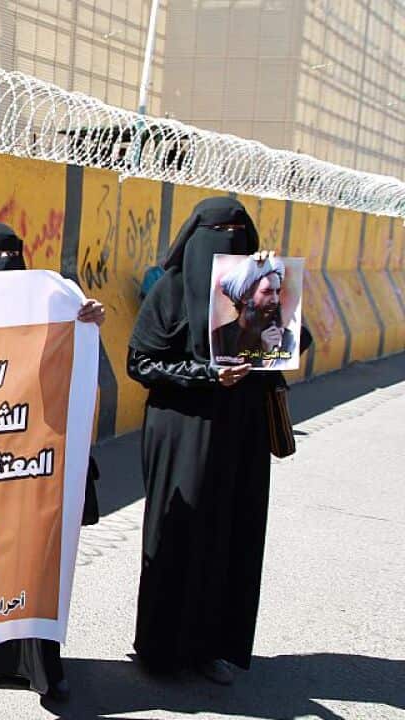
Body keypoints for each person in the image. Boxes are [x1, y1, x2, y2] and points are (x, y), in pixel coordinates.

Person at [128, 196, 305, 685]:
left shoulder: (259, 288)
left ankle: (212, 648)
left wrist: (277, 286)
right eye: (218, 230)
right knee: (178, 535)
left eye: (237, 230)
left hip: (241, 433)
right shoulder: (171, 289)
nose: (228, 238)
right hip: (182, 428)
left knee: (231, 534)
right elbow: (140, 362)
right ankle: (161, 649)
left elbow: (296, 343)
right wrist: (206, 374)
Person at [0, 221, 104, 702]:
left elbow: (76, 373)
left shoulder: (50, 304)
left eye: (13, 252)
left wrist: (88, 324)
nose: (5, 261)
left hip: (32, 452)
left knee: (33, 552)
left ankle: (40, 665)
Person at [212, 252, 295, 368]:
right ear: (245, 297)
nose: (275, 300)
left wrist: (270, 354)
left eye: (277, 292)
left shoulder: (287, 338)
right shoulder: (220, 337)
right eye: (267, 292)